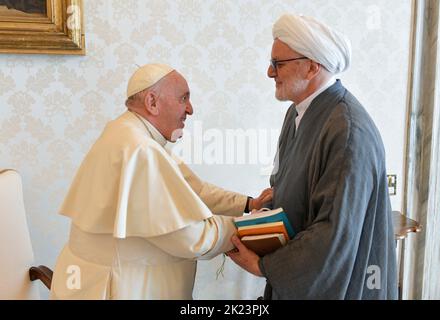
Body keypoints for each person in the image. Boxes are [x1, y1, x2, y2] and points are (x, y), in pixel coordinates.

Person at [50, 63, 272, 299]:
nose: (190, 109)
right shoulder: (139, 149)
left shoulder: (129, 132)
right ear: (152, 102)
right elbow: (192, 238)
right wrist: (249, 227)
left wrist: (249, 204)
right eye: (183, 98)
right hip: (120, 286)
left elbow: (192, 189)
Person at [227, 14, 397, 299]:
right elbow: (282, 183)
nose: (270, 73)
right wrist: (263, 213)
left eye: (277, 64)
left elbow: (333, 231)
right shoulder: (296, 113)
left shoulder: (347, 130)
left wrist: (263, 267)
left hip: (342, 284)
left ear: (311, 67)